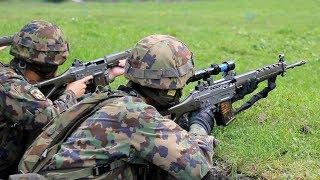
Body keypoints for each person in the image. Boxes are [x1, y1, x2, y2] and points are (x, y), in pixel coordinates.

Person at [17, 34, 220, 179]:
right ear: (170, 85)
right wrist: (200, 122)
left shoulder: (107, 99)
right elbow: (197, 167)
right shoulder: (137, 114)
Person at [0, 20, 124, 178]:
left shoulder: (15, 78)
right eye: (53, 68)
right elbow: (49, 118)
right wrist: (71, 94)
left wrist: (108, 75)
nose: (56, 72)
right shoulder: (7, 84)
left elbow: (44, 96)